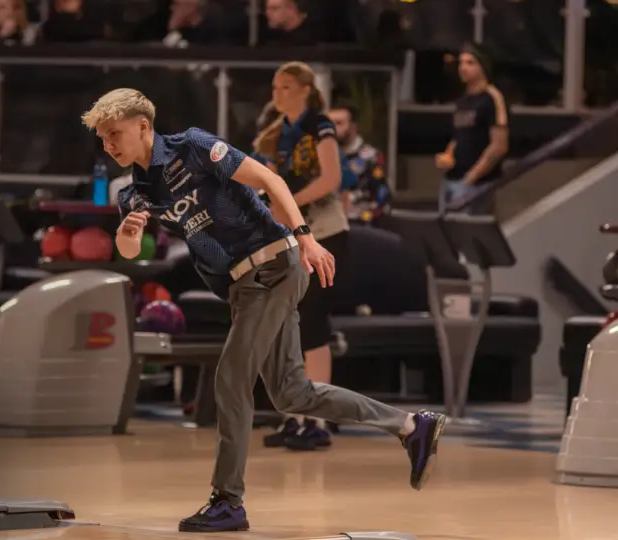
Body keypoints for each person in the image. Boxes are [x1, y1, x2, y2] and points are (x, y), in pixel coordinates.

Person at [81, 88, 446, 533]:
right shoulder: (134, 194)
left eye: (114, 134)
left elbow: (271, 181)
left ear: (143, 125)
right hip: (244, 287)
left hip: (273, 265)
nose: (109, 145)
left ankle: (227, 501)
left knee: (231, 379)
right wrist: (128, 232)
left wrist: (307, 236)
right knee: (293, 394)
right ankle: (411, 425)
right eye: (102, 139)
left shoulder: (193, 146)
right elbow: (129, 251)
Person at [252, 62, 348, 452]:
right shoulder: (277, 135)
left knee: (313, 323)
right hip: (293, 236)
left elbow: (330, 179)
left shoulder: (319, 125)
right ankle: (295, 416)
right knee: (290, 324)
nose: (277, 93)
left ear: (305, 89)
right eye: (274, 86)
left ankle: (318, 420)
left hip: (325, 233)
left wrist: (289, 204)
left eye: (286, 86)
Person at [436, 44, 509, 215]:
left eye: (470, 63)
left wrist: (472, 177)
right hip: (452, 177)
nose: (463, 68)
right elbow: (460, 135)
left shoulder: (493, 98)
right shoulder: (463, 100)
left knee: (466, 234)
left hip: (475, 183)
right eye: (461, 63)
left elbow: (499, 146)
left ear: (482, 67)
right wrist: (448, 154)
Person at [328, 104, 391, 222]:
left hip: (360, 223)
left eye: (339, 123)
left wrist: (366, 217)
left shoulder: (370, 157)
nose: (332, 129)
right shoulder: (322, 155)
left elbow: (382, 196)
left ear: (354, 127)